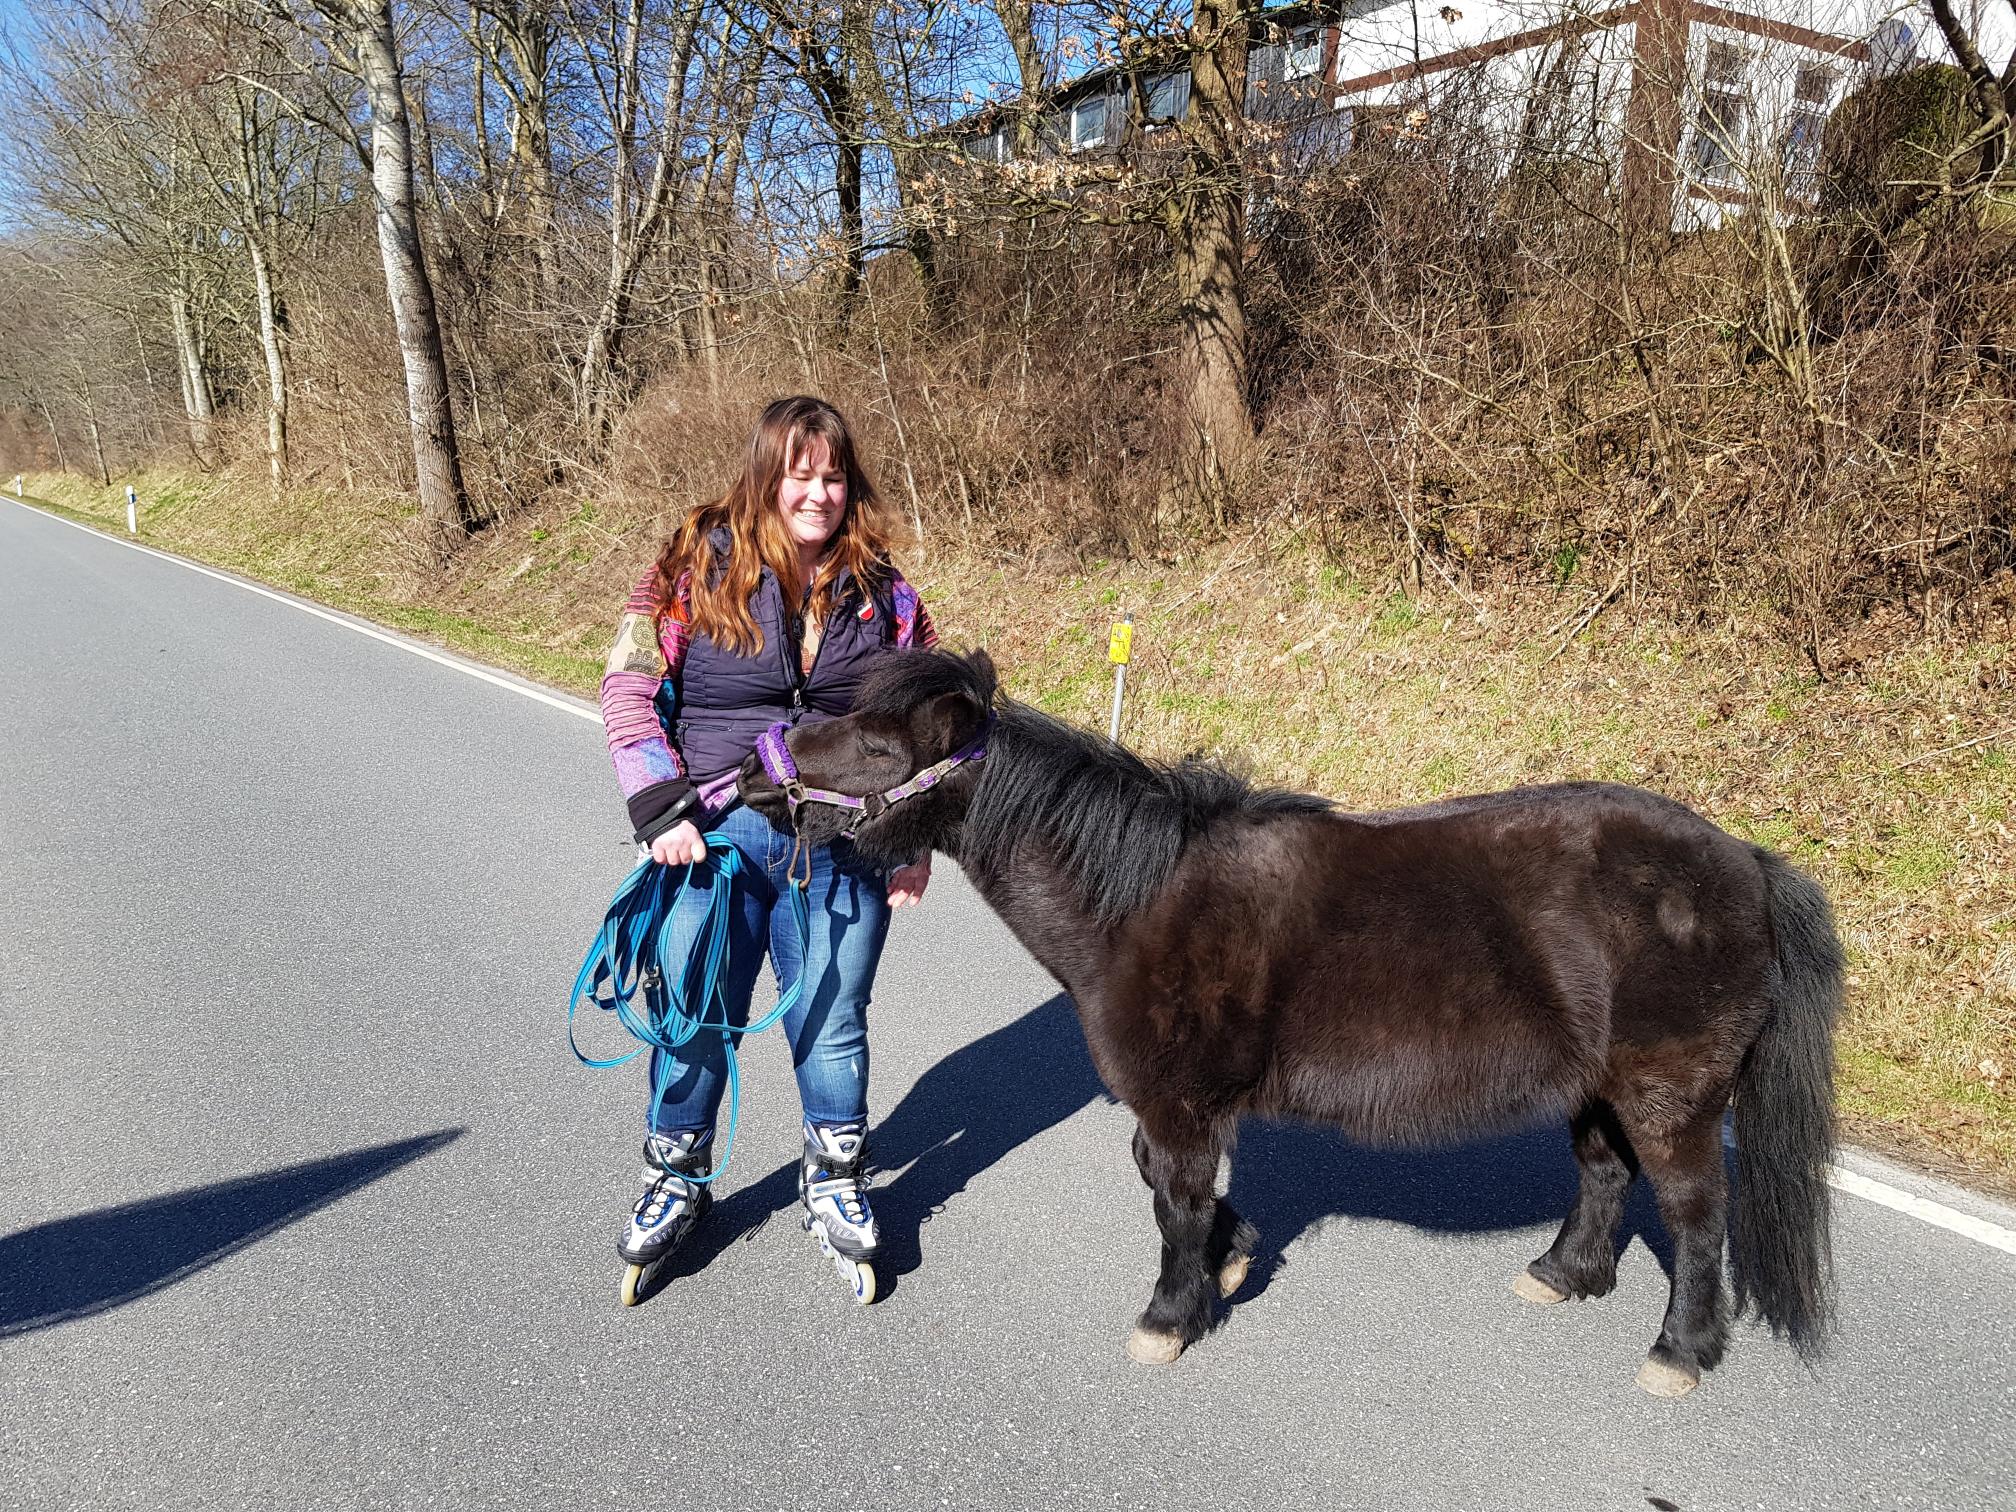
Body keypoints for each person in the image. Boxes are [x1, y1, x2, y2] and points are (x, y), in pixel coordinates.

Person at [598, 395, 937, 1298]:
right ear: (766, 474)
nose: (819, 492)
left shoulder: (887, 592)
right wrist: (658, 810)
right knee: (694, 1017)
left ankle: (832, 1177)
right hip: (708, 842)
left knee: (832, 1024)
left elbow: (927, 725)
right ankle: (674, 1175)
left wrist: (917, 837)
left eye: (833, 475)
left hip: (842, 843)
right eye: (801, 473)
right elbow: (628, 687)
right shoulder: (688, 564)